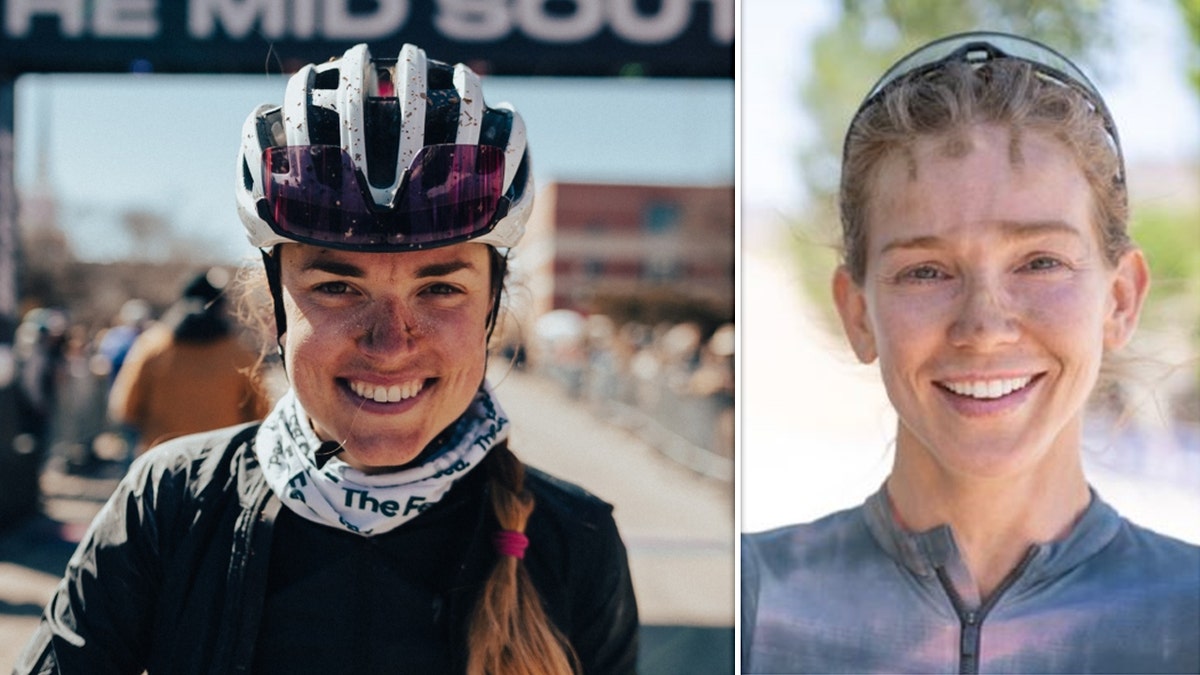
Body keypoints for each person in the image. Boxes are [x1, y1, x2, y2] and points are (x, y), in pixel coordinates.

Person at [17, 43, 639, 674]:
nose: (391, 344)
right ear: (275, 312)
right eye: (337, 288)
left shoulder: (573, 540)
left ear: (491, 310)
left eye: (441, 288)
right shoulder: (171, 504)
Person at [741, 32, 1199, 673]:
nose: (984, 326)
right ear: (857, 313)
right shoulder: (756, 603)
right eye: (926, 271)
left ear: (1120, 300)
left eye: (1041, 262)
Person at [107, 268, 272, 454]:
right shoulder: (239, 354)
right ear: (220, 306)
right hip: (222, 462)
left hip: (162, 460)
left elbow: (125, 407)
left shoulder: (152, 346)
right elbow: (261, 412)